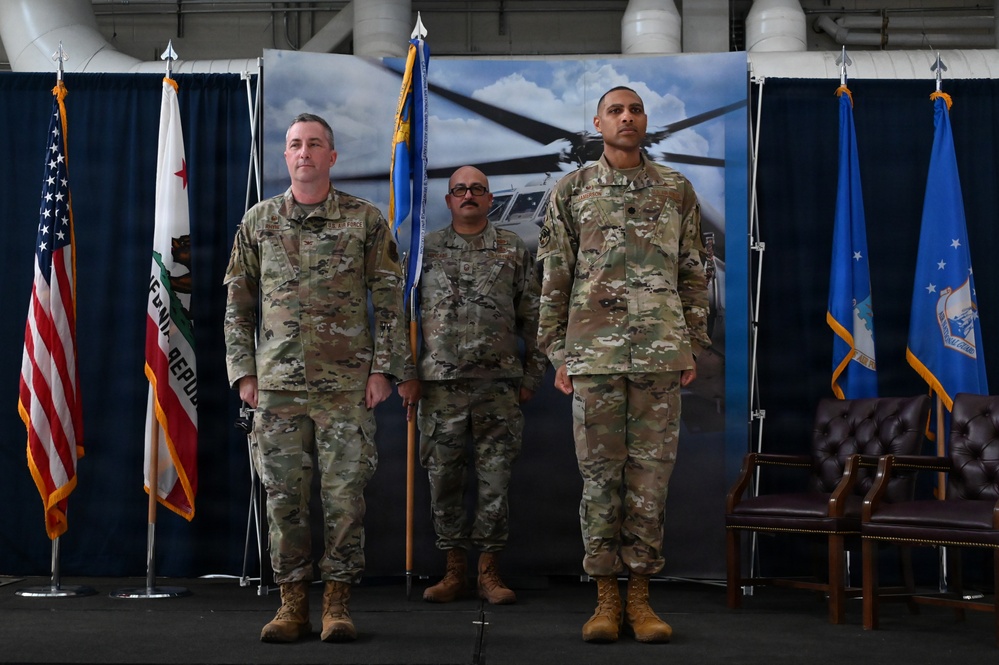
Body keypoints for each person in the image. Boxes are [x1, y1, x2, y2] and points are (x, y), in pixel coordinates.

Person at [223, 113, 416, 644]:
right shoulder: (258, 223)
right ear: (284, 156)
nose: (303, 152)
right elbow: (237, 306)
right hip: (277, 386)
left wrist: (384, 369)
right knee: (283, 499)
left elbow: (390, 303)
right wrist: (243, 373)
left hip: (347, 389)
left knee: (344, 501)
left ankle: (336, 603)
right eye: (294, 145)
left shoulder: (364, 220)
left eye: (314, 145)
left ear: (332, 157)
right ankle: (291, 605)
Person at [536, 86, 711, 644]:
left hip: (661, 355)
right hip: (595, 357)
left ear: (645, 121)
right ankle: (605, 599)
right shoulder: (574, 190)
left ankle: (641, 597)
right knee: (599, 480)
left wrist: (694, 342)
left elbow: (692, 271)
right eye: (616, 110)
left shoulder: (676, 190)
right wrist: (557, 352)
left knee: (650, 481)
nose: (627, 117)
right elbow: (555, 279)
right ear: (598, 122)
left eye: (634, 109)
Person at [399, 166, 547, 605]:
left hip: (498, 389)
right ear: (448, 200)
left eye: (477, 189)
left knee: (494, 483)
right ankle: (453, 571)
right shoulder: (425, 252)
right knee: (443, 480)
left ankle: (489, 572)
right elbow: (400, 320)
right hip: (439, 389)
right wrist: (405, 374)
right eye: (460, 189)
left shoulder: (512, 248)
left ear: (489, 199)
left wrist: (532, 376)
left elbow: (535, 319)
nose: (468, 195)